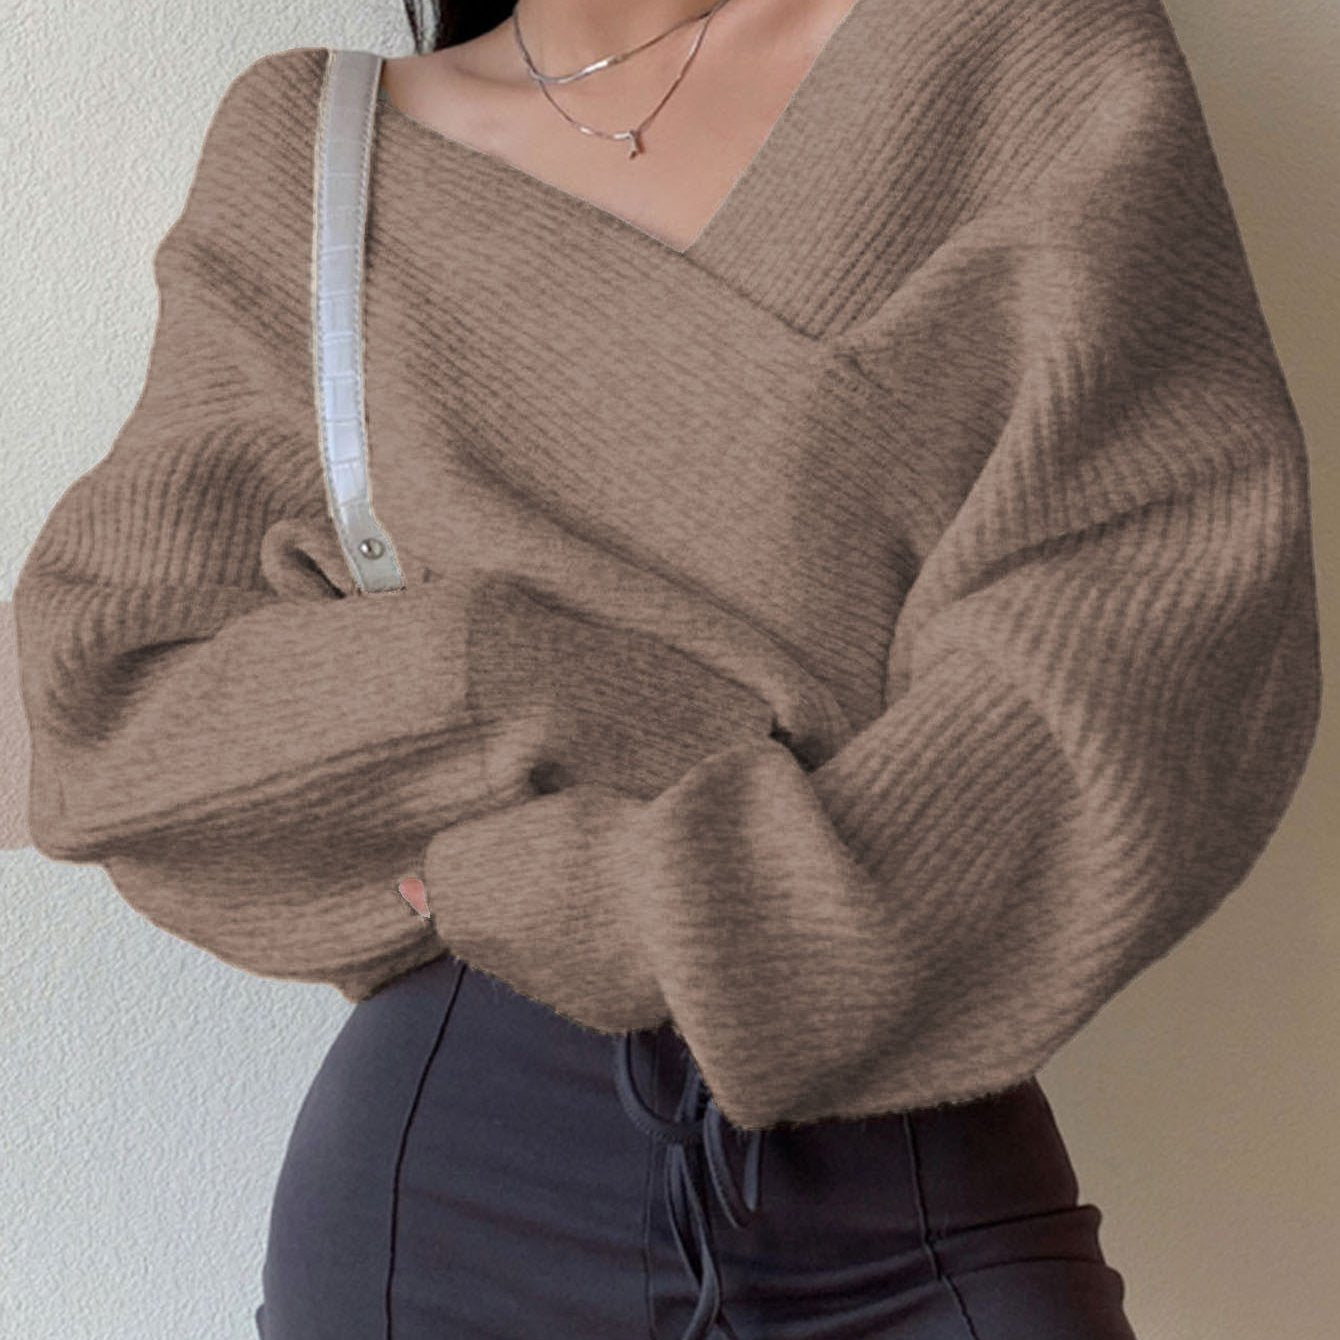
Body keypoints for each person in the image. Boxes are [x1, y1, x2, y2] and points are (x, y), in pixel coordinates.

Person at [13, 2, 1321, 1338]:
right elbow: (106, 704)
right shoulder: (319, 155)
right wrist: (522, 692)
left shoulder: (1015, 48)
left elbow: (1144, 635)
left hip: (911, 1170)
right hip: (455, 1194)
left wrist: (645, 894)